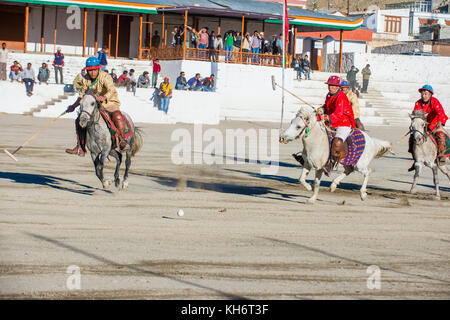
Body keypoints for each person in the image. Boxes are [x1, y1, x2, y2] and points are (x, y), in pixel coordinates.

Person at [65, 57, 129, 156]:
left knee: (117, 116)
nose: (93, 72)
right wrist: (73, 106)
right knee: (79, 120)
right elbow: (82, 95)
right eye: (90, 70)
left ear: (98, 69)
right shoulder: (86, 79)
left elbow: (111, 90)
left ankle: (122, 140)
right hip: (94, 105)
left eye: (95, 70)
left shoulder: (105, 77)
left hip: (109, 103)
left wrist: (104, 97)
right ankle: (80, 147)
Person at [319, 76, 356, 175]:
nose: (331, 87)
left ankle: (331, 164)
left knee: (337, 142)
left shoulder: (341, 97)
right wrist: (321, 109)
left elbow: (339, 113)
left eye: (334, 86)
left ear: (338, 87)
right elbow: (326, 106)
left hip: (343, 122)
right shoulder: (328, 95)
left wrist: (327, 118)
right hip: (332, 121)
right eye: (330, 85)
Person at [408, 85, 448, 170]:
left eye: (426, 94)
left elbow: (440, 112)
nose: (424, 96)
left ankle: (441, 155)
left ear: (430, 95)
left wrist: (439, 122)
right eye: (422, 94)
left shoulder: (435, 101)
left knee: (440, 135)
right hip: (423, 126)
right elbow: (415, 115)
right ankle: (415, 159)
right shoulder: (417, 103)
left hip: (435, 124)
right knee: (412, 138)